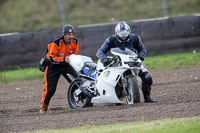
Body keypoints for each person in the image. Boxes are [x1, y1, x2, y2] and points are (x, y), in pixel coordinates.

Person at [96, 21, 157, 103]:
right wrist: (104, 59)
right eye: (121, 34)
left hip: (133, 60)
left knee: (147, 77)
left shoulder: (135, 38)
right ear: (117, 33)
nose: (124, 36)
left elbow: (143, 49)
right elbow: (100, 52)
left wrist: (141, 55)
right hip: (118, 62)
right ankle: (114, 95)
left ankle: (147, 97)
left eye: (125, 33)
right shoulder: (111, 40)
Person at [40, 24, 79, 113]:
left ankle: (80, 101)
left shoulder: (75, 42)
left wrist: (71, 59)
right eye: (69, 35)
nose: (71, 36)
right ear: (64, 35)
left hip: (65, 65)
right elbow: (51, 58)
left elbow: (74, 53)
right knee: (50, 90)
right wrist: (63, 59)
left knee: (77, 82)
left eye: (72, 34)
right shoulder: (56, 42)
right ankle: (44, 107)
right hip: (52, 66)